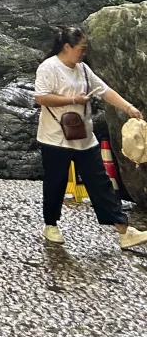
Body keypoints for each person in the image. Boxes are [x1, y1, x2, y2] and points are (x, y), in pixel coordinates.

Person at [34, 24, 147, 248]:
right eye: (81, 48)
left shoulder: (83, 69)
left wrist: (128, 108)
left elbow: (104, 90)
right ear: (67, 47)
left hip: (84, 137)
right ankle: (51, 224)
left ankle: (123, 230)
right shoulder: (49, 67)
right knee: (56, 183)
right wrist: (73, 100)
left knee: (100, 182)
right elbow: (41, 98)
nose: (84, 53)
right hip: (54, 138)